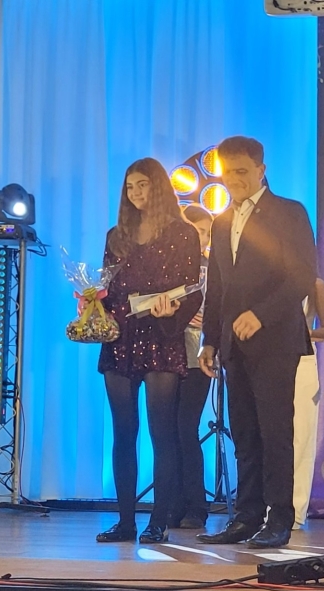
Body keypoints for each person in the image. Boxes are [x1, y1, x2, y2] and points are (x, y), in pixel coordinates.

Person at [196, 136, 317, 550]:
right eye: (227, 172)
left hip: (276, 341)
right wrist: (210, 340)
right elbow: (217, 287)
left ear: (261, 170)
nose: (234, 179)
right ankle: (246, 516)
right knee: (244, 433)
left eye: (242, 171)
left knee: (275, 431)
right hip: (233, 345)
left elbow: (302, 276)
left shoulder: (289, 212)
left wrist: (261, 314)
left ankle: (280, 516)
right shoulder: (221, 221)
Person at [92, 157, 198, 544]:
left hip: (161, 337)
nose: (136, 193)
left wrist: (172, 312)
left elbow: (193, 289)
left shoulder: (183, 232)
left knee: (162, 432)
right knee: (123, 432)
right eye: (130, 186)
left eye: (143, 185)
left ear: (159, 187)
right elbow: (106, 289)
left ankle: (159, 521)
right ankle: (125, 521)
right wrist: (92, 304)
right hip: (119, 337)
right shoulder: (115, 235)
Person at [172, 206, 214, 531]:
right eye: (199, 231)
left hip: (198, 356)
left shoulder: (212, 268)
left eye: (207, 233)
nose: (204, 239)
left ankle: (196, 506)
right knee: (167, 431)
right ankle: (171, 504)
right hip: (167, 355)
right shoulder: (169, 266)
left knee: (187, 428)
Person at [291, 277, 324, 530]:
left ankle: (295, 510)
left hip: (303, 360)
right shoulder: (263, 278)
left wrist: (307, 333)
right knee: (268, 436)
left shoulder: (316, 285)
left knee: (302, 435)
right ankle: (264, 507)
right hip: (267, 359)